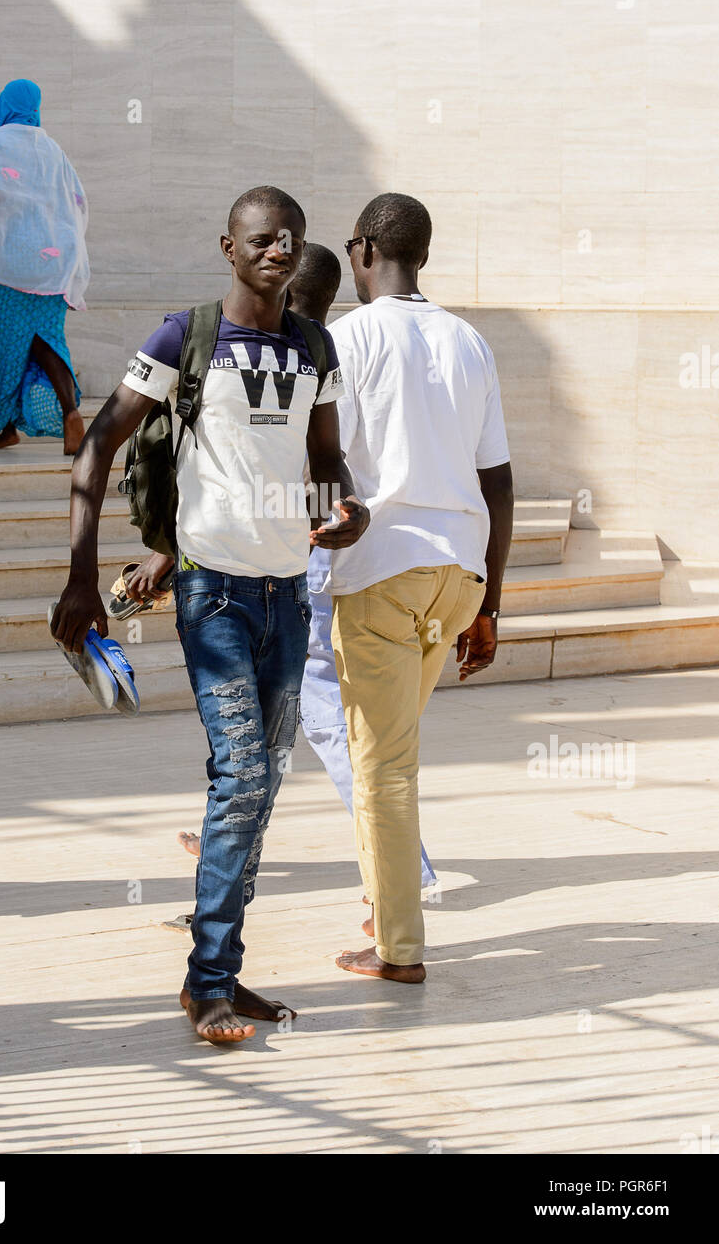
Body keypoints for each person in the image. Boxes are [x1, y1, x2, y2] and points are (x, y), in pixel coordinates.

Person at [51, 188, 369, 1043]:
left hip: (287, 593)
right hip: (213, 593)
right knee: (241, 777)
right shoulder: (182, 338)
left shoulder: (312, 346)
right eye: (261, 239)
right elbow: (97, 446)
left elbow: (327, 462)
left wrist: (348, 512)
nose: (277, 250)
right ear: (227, 247)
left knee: (261, 788)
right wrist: (83, 580)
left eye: (288, 240)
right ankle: (209, 982)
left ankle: (218, 977)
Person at [178, 241, 437, 933]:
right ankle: (226, 853)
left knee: (317, 721)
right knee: (266, 739)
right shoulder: (325, 351)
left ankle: (403, 868)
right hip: (312, 559)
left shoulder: (310, 358)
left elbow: (321, 466)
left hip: (298, 564)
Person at [329, 193, 514, 984]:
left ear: (359, 250)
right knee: (393, 747)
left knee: (384, 763)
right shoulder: (469, 341)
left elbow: (318, 460)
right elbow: (498, 481)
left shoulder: (349, 336)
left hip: (385, 568)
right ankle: (384, 901)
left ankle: (397, 948)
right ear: (423, 258)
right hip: (457, 576)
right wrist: (490, 604)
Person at [0, 78, 89, 455]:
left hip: (10, 263)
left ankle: (6, 425)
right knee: (46, 340)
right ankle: (71, 415)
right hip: (55, 264)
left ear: (3, 106)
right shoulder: (52, 148)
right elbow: (77, 201)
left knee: (1, 342)